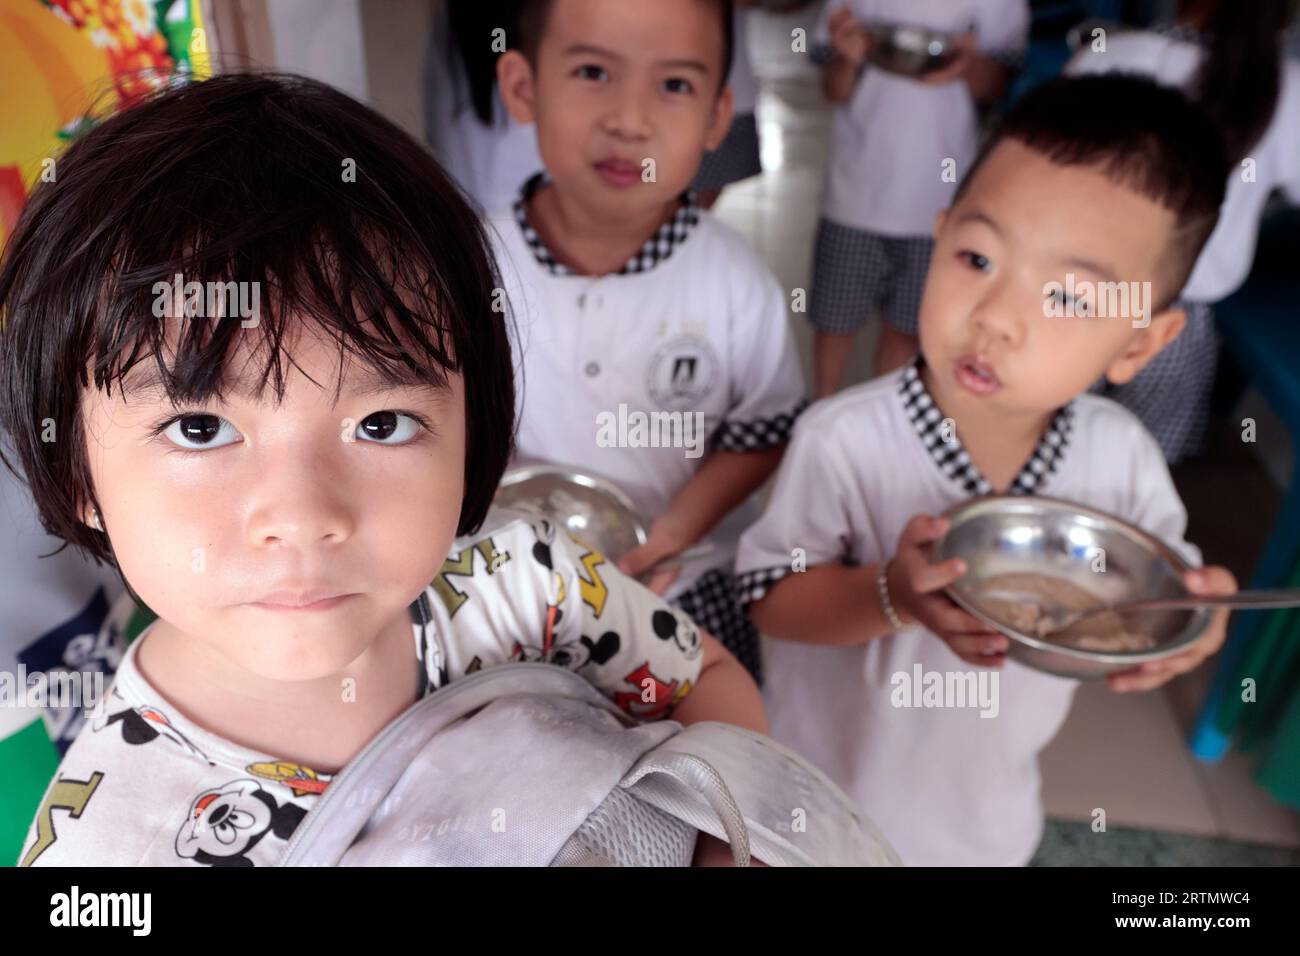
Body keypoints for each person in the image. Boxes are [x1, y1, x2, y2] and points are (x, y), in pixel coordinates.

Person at [0, 72, 763, 867]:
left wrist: (723, 846)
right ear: (78, 470)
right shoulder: (104, 849)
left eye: (380, 423)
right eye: (200, 428)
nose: (300, 514)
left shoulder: (525, 585)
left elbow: (700, 677)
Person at [736, 74, 1238, 866]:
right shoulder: (846, 440)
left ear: (1141, 343)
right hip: (808, 807)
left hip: (982, 825)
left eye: (1070, 299)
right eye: (976, 257)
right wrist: (889, 595)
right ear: (936, 238)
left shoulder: (1121, 461)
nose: (997, 317)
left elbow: (1163, 598)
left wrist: (1191, 627)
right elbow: (769, 600)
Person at [489, 0, 807, 684]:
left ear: (718, 118)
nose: (629, 121)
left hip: (684, 585)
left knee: (701, 757)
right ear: (523, 87)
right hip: (509, 582)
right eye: (594, 71)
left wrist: (679, 528)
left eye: (673, 85)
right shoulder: (471, 263)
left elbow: (762, 431)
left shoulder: (736, 285)